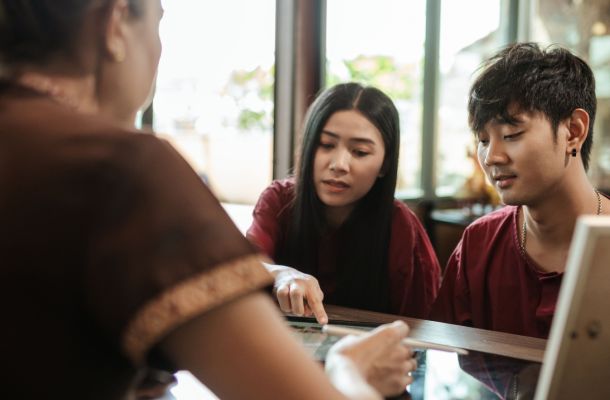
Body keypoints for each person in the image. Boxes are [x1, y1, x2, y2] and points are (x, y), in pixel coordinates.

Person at [0, 1, 418, 399]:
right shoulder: (123, 171)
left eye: (360, 151)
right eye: (159, 21)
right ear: (116, 22)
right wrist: (348, 371)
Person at [430, 42, 609, 338]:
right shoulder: (479, 244)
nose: (491, 157)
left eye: (511, 134)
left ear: (574, 130)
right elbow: (441, 354)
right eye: (484, 140)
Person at [247, 82, 441, 324]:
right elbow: (244, 268)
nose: (339, 164)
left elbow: (421, 328)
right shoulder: (279, 200)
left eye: (359, 152)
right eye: (326, 145)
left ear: (385, 165)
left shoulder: (401, 226)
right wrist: (279, 273)